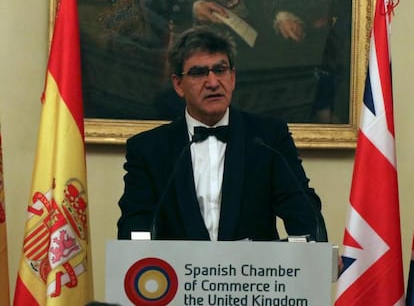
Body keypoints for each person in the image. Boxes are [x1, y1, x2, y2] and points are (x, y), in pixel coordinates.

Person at [117, 25, 328, 242]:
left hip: (253, 273)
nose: (213, 83)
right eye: (199, 73)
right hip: (178, 274)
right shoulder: (148, 149)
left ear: (232, 77)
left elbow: (302, 210)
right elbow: (136, 223)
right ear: (178, 84)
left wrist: (314, 251)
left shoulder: (268, 138)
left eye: (220, 70)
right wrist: (140, 258)